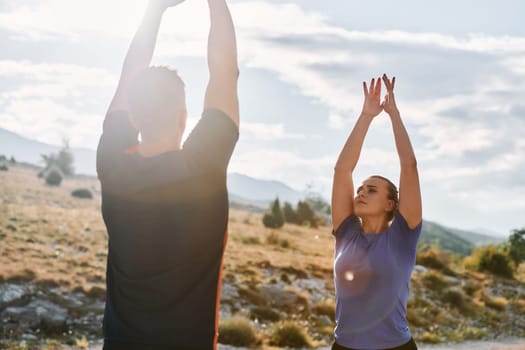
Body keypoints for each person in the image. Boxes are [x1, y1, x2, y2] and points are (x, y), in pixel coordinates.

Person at [96, 0, 239, 348]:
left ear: (133, 117)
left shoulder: (114, 165)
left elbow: (130, 73)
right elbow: (225, 73)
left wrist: (155, 9)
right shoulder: (202, 167)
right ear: (183, 117)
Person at [331, 74, 422, 350]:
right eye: (360, 189)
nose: (360, 193)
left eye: (371, 190)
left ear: (390, 204)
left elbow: (409, 166)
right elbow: (342, 170)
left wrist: (393, 114)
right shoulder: (346, 233)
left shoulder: (402, 237)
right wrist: (366, 116)